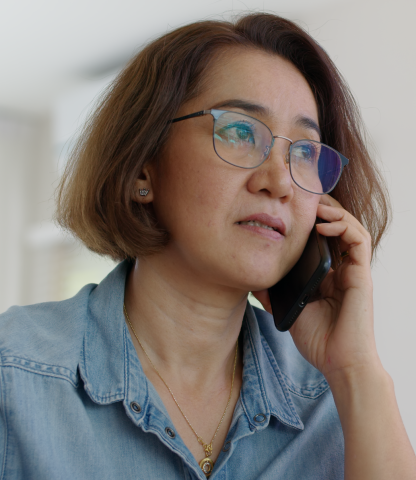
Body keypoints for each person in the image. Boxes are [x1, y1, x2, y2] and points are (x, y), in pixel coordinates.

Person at [0, 13, 415, 480]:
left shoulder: (335, 401)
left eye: (304, 152)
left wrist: (357, 371)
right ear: (142, 168)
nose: (279, 182)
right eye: (239, 132)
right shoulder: (15, 375)